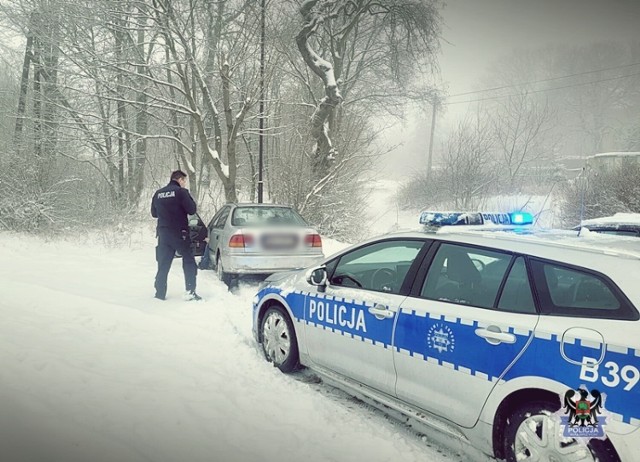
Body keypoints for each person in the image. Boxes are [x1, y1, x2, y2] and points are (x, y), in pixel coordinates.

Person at [151, 170, 202, 301]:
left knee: (163, 264)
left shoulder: (158, 193)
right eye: (184, 181)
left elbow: (154, 214)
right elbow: (192, 210)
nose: (184, 184)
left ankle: (160, 293)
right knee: (189, 261)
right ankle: (190, 292)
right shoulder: (181, 192)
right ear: (180, 179)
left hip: (163, 233)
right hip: (180, 234)